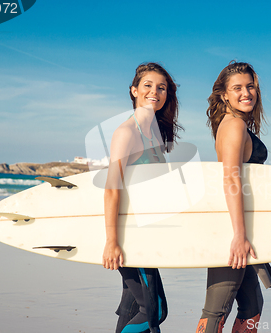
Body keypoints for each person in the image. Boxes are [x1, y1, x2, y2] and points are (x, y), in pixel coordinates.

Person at [102, 62, 182, 333]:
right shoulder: (127, 133)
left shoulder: (155, 135)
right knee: (154, 311)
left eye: (161, 88)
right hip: (130, 236)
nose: (155, 92)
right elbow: (112, 188)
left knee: (133, 307)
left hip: (147, 232)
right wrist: (112, 242)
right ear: (134, 90)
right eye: (147, 85)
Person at [196, 61, 271, 333]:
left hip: (242, 229)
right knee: (216, 312)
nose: (246, 93)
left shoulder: (235, 124)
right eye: (237, 88)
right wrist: (239, 236)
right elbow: (230, 179)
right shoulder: (233, 126)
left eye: (250, 86)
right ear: (224, 94)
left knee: (252, 307)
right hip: (232, 232)